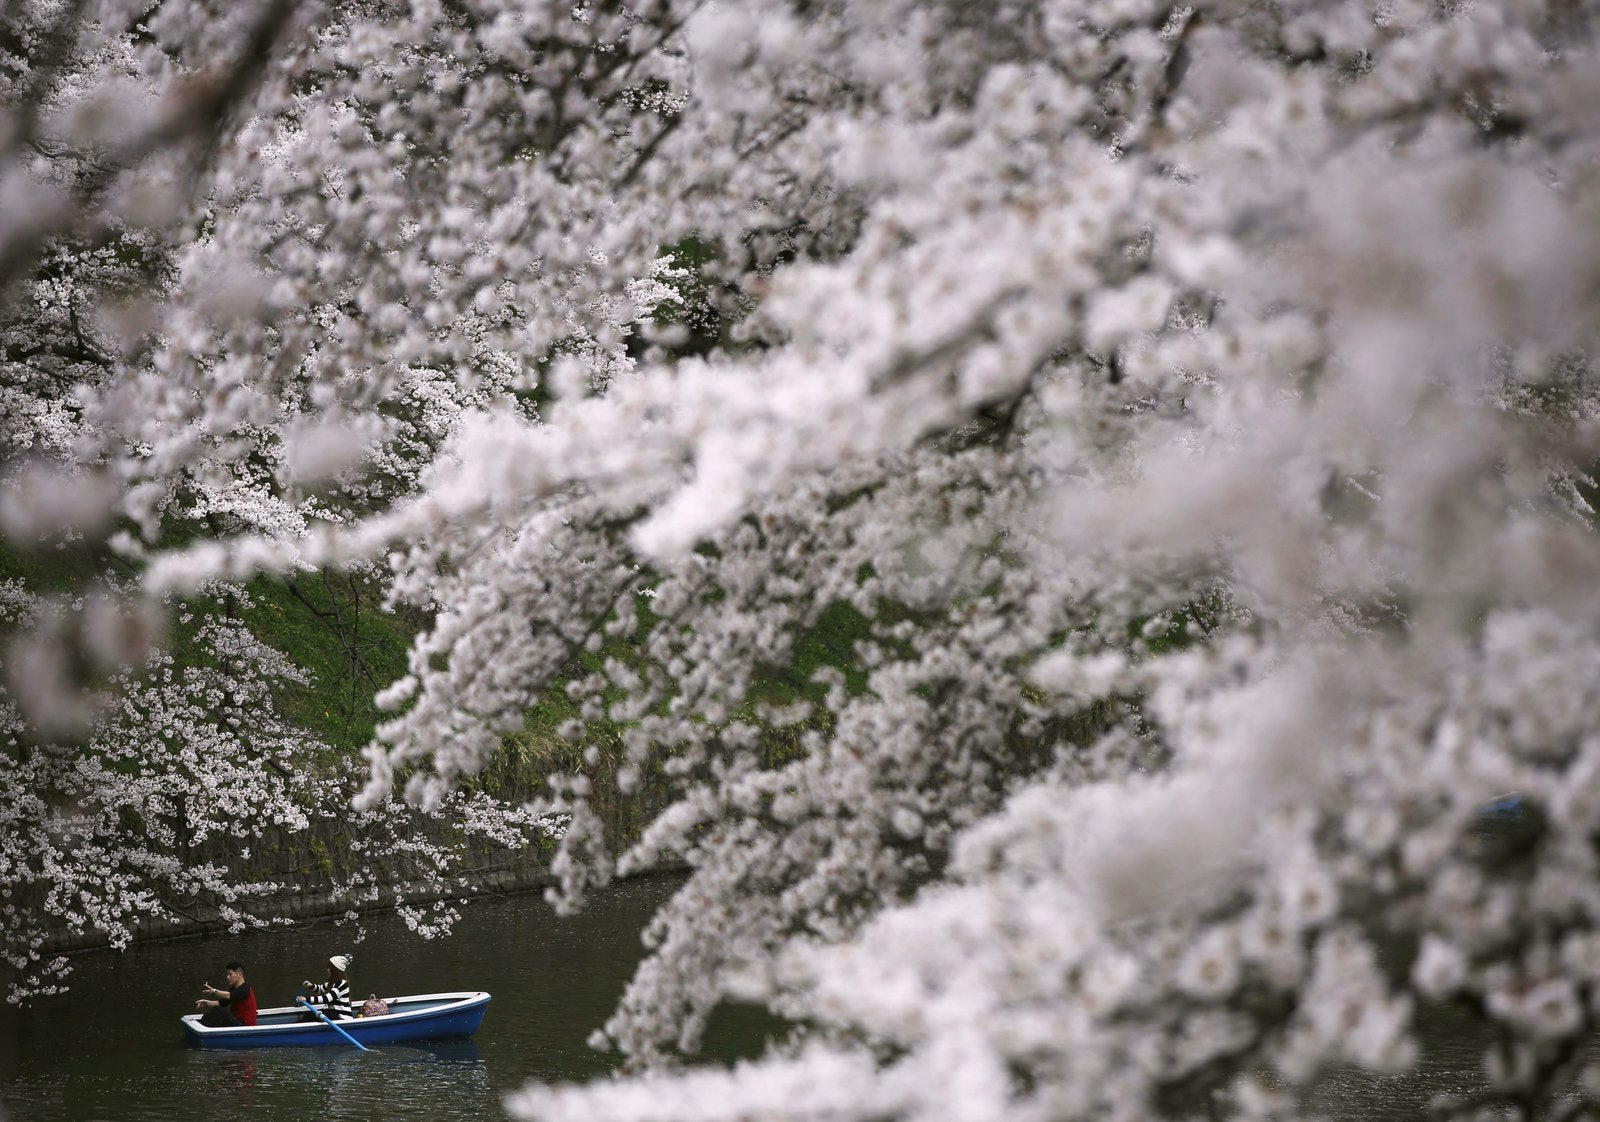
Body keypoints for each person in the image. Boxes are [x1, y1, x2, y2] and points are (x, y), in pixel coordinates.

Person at [196, 961, 257, 1027]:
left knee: (218, 1011)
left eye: (230, 974)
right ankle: (202, 1027)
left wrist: (214, 991)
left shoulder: (245, 988)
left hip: (246, 1025)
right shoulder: (234, 989)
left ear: (239, 974)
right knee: (216, 1011)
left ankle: (205, 1030)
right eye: (227, 974)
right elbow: (220, 1003)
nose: (228, 977)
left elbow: (228, 995)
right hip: (237, 1021)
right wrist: (207, 1002)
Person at [303, 954, 353, 1019]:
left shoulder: (342, 984)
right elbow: (320, 989)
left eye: (330, 967)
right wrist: (310, 986)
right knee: (310, 1015)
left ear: (335, 970)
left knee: (310, 1016)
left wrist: (306, 999)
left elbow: (327, 998)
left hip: (342, 1017)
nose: (328, 970)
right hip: (333, 1014)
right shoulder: (331, 983)